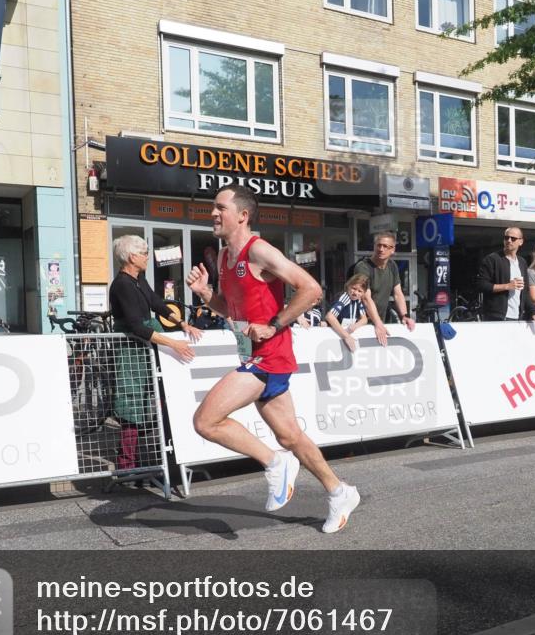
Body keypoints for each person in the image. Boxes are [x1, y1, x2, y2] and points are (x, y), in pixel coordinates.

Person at [186, 184, 360, 533]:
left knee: (206, 421)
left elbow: (311, 289)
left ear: (243, 215)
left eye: (220, 207)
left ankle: (274, 464)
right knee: (291, 436)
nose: (213, 213)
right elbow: (230, 311)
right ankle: (340, 492)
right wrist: (206, 293)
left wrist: (273, 324)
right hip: (253, 352)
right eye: (213, 207)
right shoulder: (224, 257)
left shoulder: (259, 250)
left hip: (270, 356)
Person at [109, 234, 199, 469]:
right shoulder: (121, 285)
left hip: (146, 346)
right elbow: (137, 326)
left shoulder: (138, 278)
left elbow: (156, 302)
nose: (148, 256)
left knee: (159, 397)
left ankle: (167, 456)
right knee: (132, 405)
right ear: (132, 257)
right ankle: (128, 466)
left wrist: (181, 324)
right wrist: (174, 343)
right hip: (131, 352)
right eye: (145, 252)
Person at [353, 231, 415, 346]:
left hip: (378, 323)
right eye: (379, 245)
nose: (381, 249)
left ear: (393, 249)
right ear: (374, 246)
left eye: (386, 246)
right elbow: (366, 298)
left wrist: (405, 316)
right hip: (358, 325)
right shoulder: (363, 267)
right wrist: (378, 323)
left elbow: (398, 294)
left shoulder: (392, 266)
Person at [475, 226, 535, 325]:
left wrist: (534, 312)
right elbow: (481, 285)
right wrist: (507, 286)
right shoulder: (492, 259)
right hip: (496, 317)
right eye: (506, 238)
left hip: (517, 317)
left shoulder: (522, 262)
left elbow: (524, 293)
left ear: (521, 242)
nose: (509, 240)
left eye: (513, 238)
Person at [324, 273, 370, 353]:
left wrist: (355, 326)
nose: (355, 293)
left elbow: (364, 319)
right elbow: (330, 316)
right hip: (334, 335)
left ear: (364, 293)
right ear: (348, 286)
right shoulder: (344, 298)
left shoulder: (358, 300)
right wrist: (346, 336)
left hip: (345, 334)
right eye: (354, 288)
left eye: (360, 291)